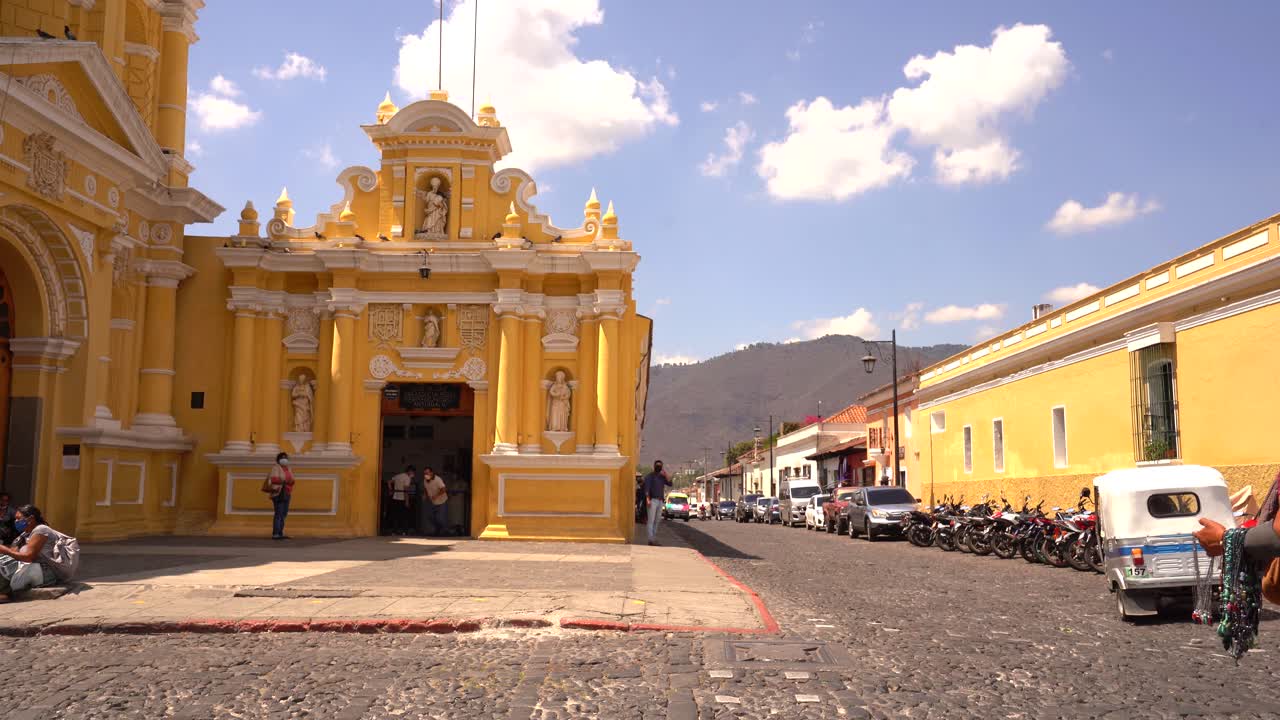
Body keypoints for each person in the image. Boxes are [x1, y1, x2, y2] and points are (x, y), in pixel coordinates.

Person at [0, 505, 80, 603]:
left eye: (18, 519)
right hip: (35, 568)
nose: (16, 522)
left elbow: (28, 557)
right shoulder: (24, 535)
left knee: (6, 566)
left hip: (49, 571)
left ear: (31, 519)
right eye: (15, 519)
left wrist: (4, 550)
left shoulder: (41, 530)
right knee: (4, 561)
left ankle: (3, 594)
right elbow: (13, 554)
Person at [642, 460, 672, 546]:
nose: (659, 466)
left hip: (660, 501)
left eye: (660, 465)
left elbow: (670, 483)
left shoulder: (662, 477)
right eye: (657, 465)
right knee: (651, 520)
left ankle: (653, 538)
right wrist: (647, 499)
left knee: (657, 520)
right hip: (652, 500)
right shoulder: (649, 476)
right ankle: (650, 539)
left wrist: (665, 474)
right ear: (654, 466)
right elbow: (647, 489)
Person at [268, 452, 295, 540]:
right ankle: (275, 533)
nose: (284, 459)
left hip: (287, 492)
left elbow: (292, 480)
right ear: (278, 460)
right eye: (282, 458)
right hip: (278, 493)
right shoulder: (276, 468)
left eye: (286, 458)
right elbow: (274, 479)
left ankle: (280, 532)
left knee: (284, 513)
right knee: (278, 513)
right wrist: (285, 480)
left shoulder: (288, 468)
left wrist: (289, 481)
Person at [423, 467, 449, 537]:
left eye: (427, 473)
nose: (426, 475)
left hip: (442, 501)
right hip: (433, 501)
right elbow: (425, 488)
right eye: (425, 473)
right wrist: (425, 495)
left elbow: (443, 489)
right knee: (430, 516)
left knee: (440, 518)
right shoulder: (425, 480)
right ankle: (438, 529)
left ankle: (445, 531)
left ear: (431, 473)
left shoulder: (437, 479)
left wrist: (436, 495)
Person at [389, 465, 414, 536]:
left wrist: (391, 490)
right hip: (402, 499)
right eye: (412, 472)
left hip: (395, 497)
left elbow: (389, 482)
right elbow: (406, 491)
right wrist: (407, 501)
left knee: (395, 516)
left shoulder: (398, 476)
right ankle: (404, 531)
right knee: (404, 516)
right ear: (409, 471)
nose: (413, 474)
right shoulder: (407, 478)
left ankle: (394, 531)